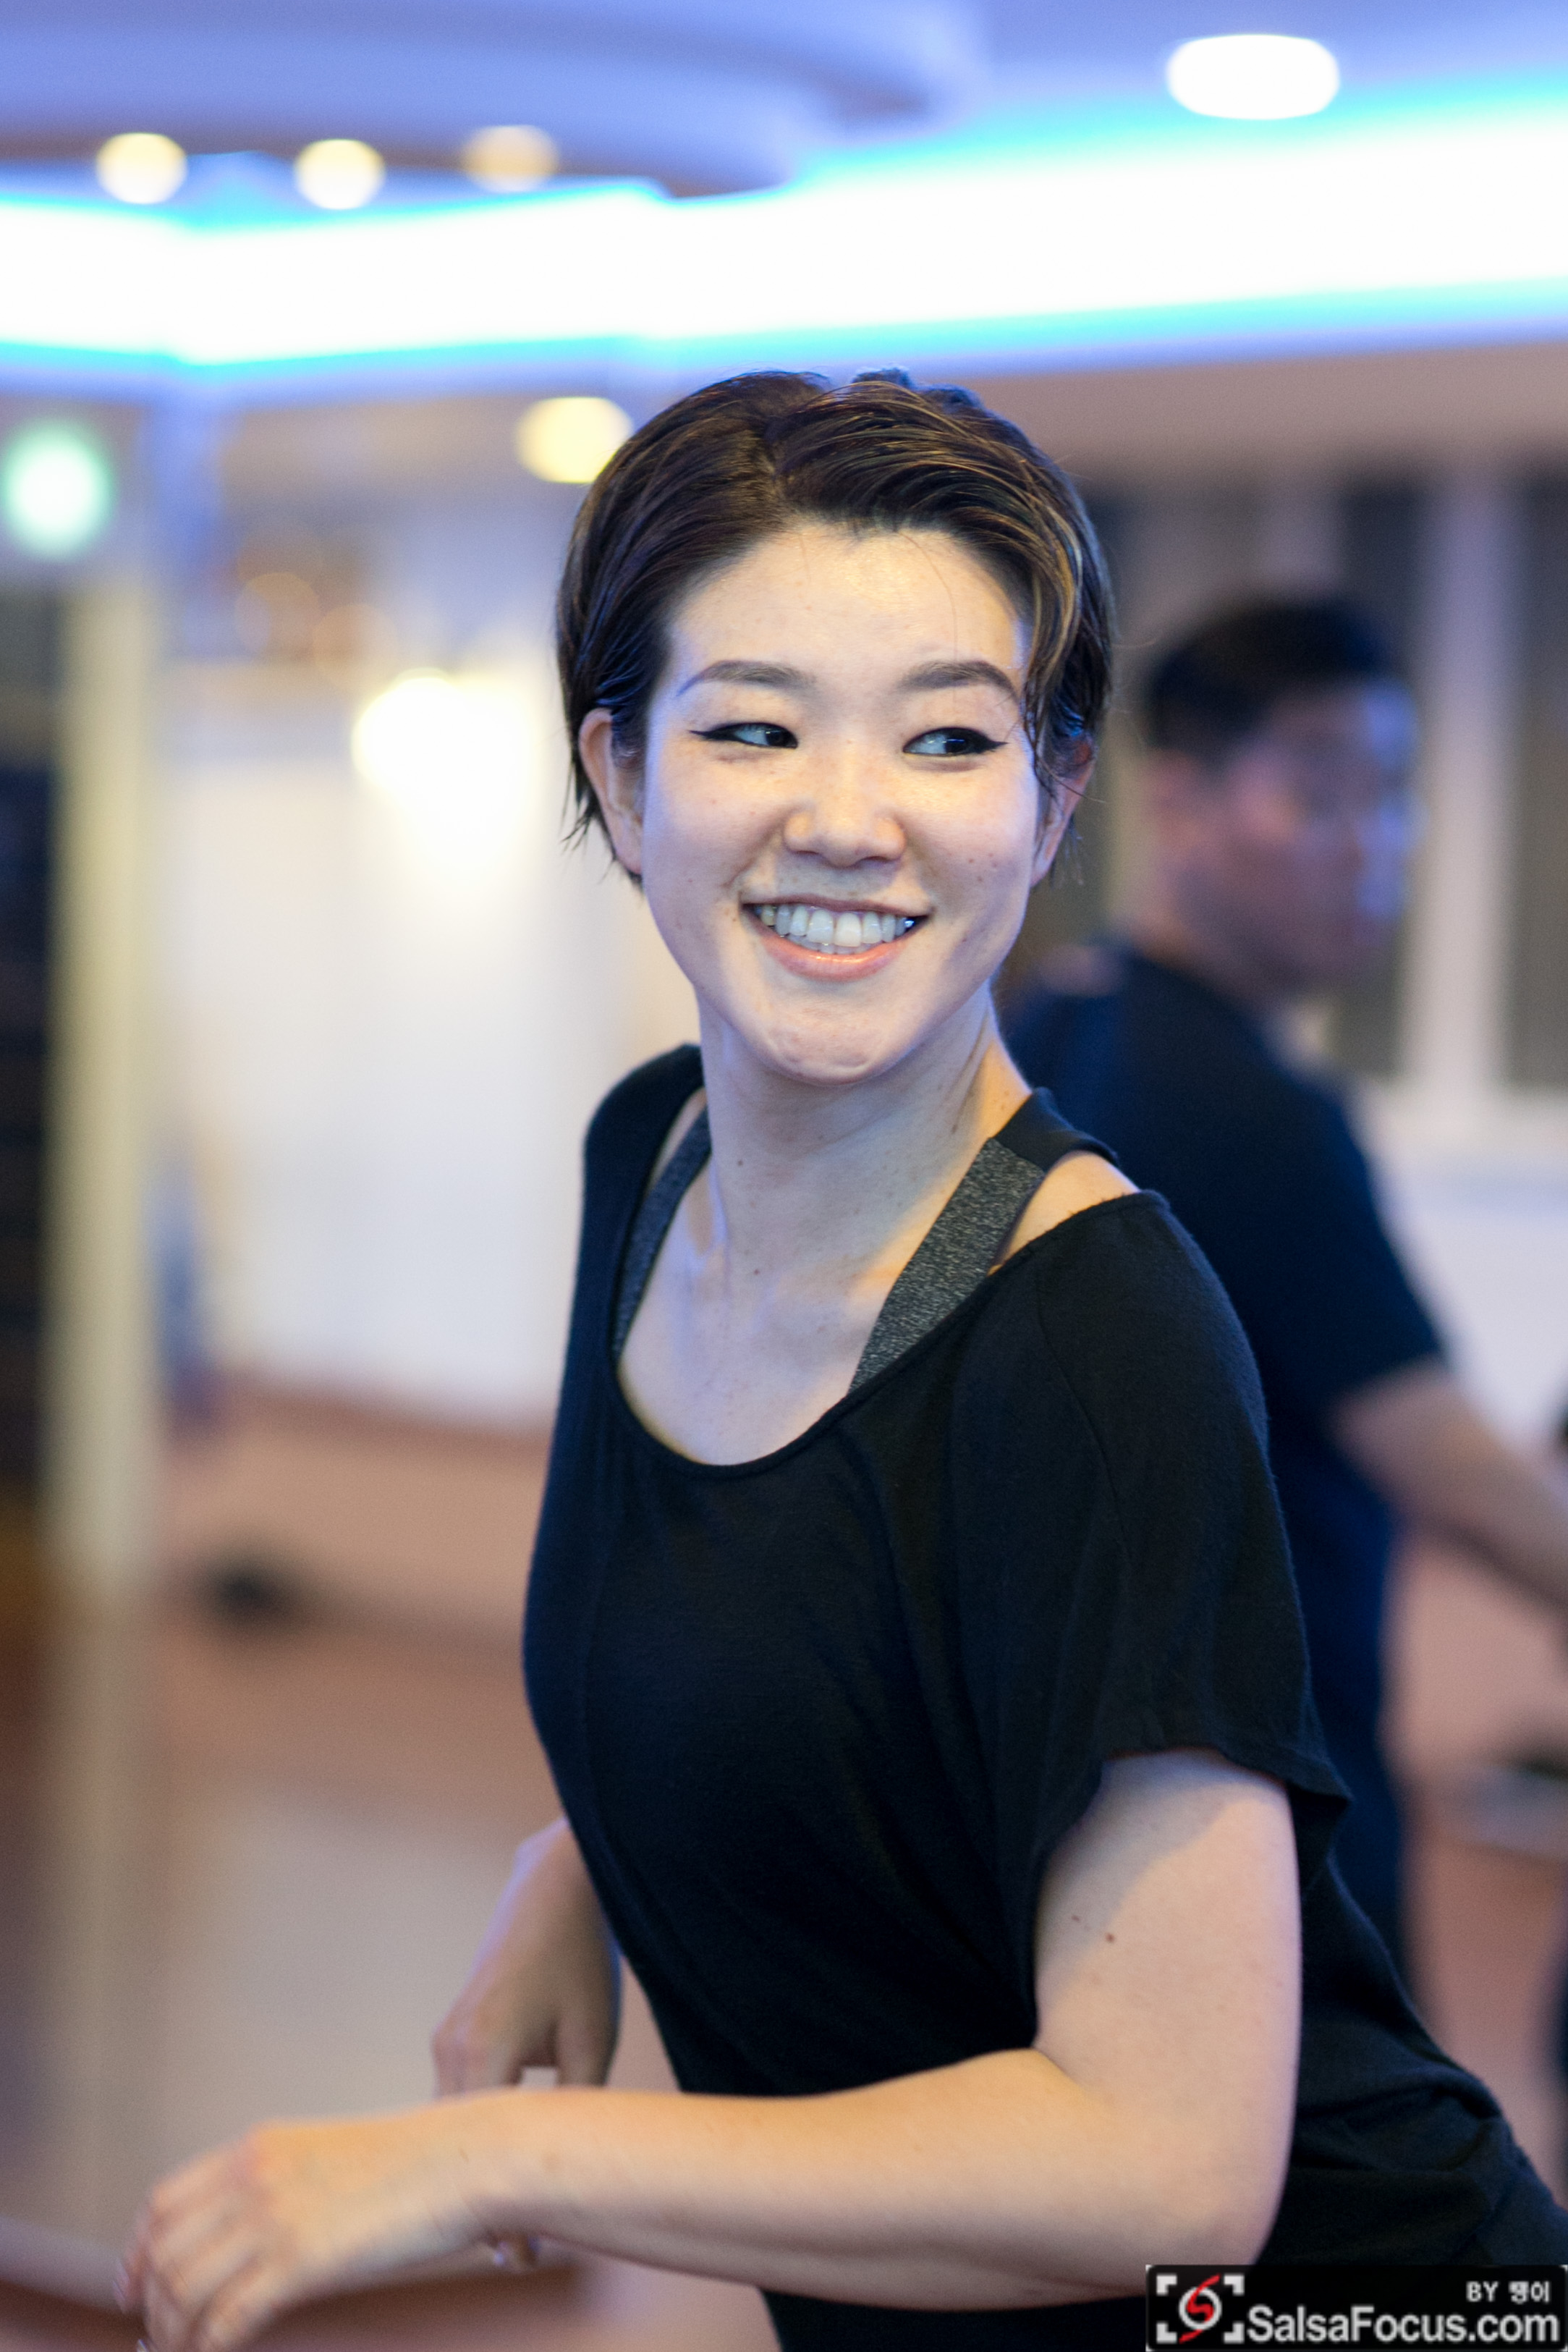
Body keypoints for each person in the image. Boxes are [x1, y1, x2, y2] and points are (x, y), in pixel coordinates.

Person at [120, 374, 1568, 2352]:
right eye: (754, 724)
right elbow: (799, 1625)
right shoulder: (652, 1159)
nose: (848, 816)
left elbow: (1169, 2174)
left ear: (1054, 802)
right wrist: (593, 1857)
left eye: (948, 736)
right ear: (622, 771)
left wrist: (497, 2157)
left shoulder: (1095, 1340)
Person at [1005, 598, 1568, 1974]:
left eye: (1394, 792)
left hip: (1073, 1777)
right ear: (1179, 803)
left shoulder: (1050, 1029)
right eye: (1320, 795)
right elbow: (1449, 1463)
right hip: (1268, 1803)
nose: (1374, 842)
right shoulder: (1251, 1109)